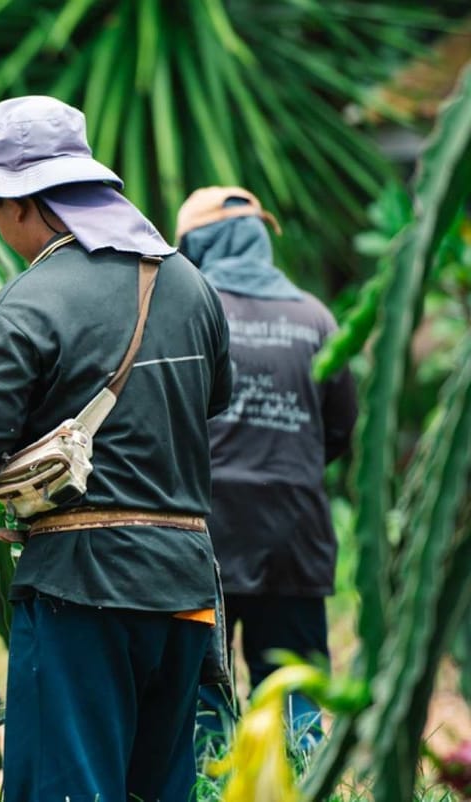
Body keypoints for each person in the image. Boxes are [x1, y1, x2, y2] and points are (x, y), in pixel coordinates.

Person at [0, 95, 233, 801]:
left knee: (66, 787)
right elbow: (214, 404)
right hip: (186, 587)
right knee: (159, 786)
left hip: (84, 587)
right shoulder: (191, 286)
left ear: (25, 204)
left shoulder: (31, 300)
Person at [175, 187, 358, 755]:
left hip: (205, 531)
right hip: (294, 531)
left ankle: (208, 786)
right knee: (293, 680)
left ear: (195, 244)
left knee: (200, 687)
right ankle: (304, 781)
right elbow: (341, 429)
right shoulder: (317, 318)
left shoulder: (187, 314)